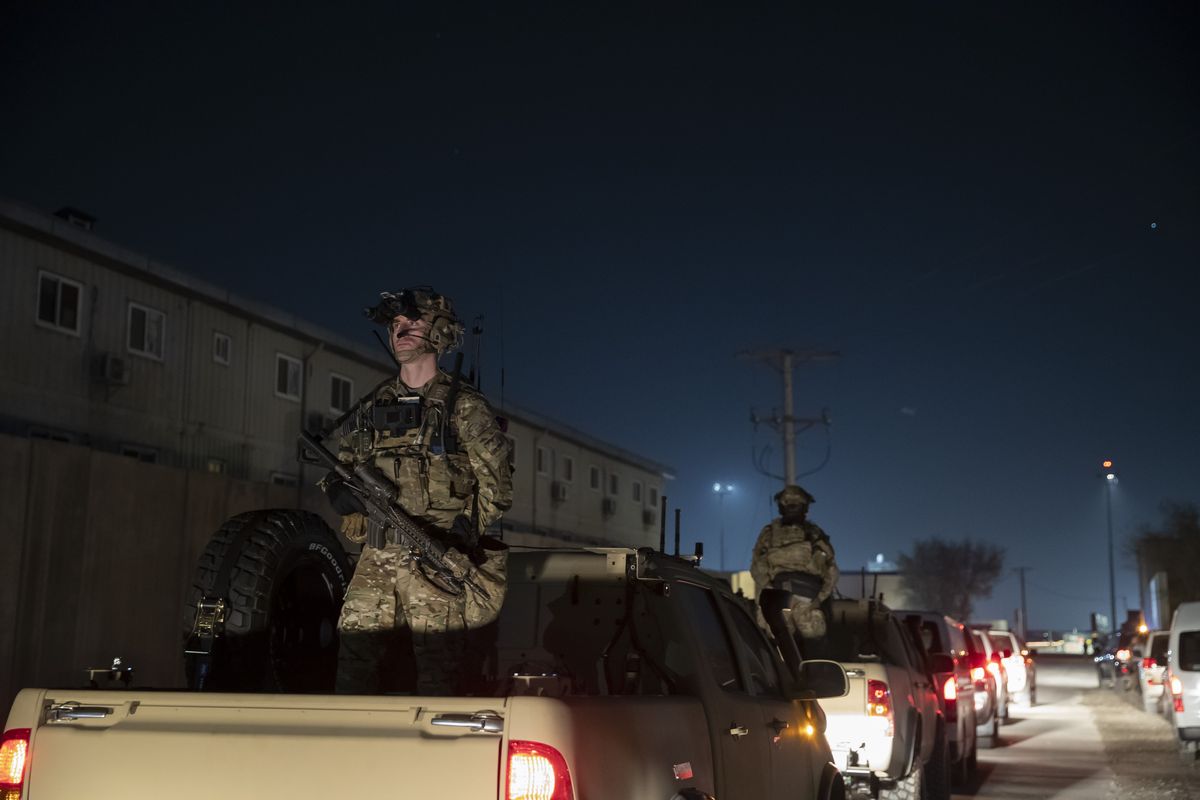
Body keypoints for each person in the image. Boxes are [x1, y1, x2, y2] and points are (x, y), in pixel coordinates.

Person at [321, 286, 513, 694]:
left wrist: (465, 530)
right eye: (395, 325)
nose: (400, 331)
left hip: (434, 554)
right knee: (352, 664)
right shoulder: (375, 405)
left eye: (413, 323)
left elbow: (497, 484)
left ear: (440, 334)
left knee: (439, 673)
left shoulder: (463, 406)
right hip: (378, 553)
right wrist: (338, 491)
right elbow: (342, 461)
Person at [750, 484, 839, 639]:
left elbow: (830, 570)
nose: (792, 507)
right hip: (780, 600)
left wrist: (818, 600)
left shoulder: (813, 534)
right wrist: (770, 592)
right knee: (779, 640)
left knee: (812, 636)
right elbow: (757, 568)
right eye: (788, 503)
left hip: (807, 602)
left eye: (796, 504)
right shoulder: (770, 534)